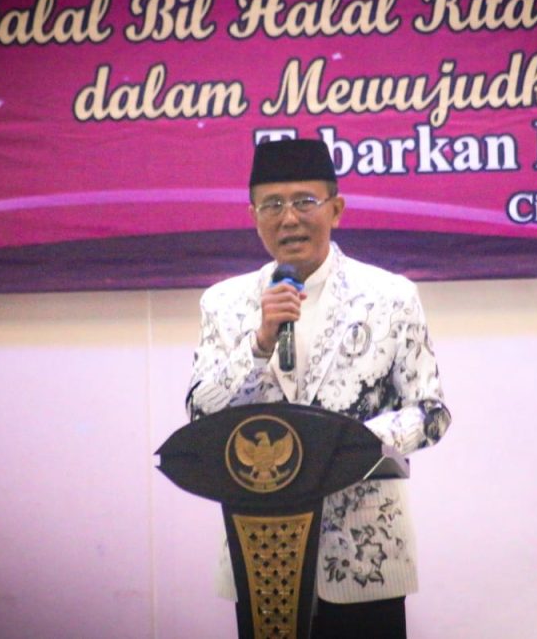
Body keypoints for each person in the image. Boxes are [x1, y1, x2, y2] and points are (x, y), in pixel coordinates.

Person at [186, 138, 451, 638]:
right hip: (261, 553)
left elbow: (431, 413)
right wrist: (258, 344)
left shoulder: (390, 296)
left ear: (336, 209)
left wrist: (344, 446)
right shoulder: (223, 303)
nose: (289, 218)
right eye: (272, 205)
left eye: (304, 201)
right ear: (253, 216)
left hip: (365, 554)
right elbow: (200, 414)